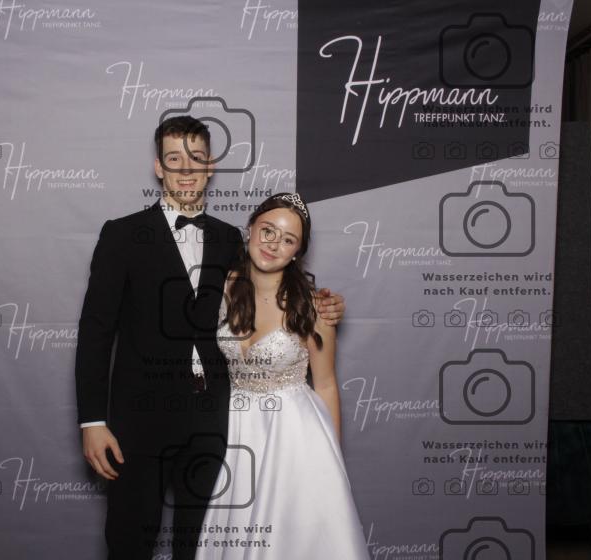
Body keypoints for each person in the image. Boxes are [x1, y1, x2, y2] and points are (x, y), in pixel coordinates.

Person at [74, 115, 346, 560]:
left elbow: (273, 289)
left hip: (215, 423)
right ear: (158, 167)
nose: (186, 170)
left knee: (202, 548)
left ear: (211, 166)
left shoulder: (230, 240)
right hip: (139, 422)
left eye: (196, 159)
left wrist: (326, 305)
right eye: (174, 159)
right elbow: (95, 333)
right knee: (129, 543)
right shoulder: (121, 235)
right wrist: (92, 422)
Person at [194, 192, 371, 559]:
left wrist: (332, 463)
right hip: (235, 430)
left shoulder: (314, 306)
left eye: (288, 240)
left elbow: (325, 384)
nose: (274, 244)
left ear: (297, 252)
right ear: (250, 229)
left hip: (294, 437)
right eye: (268, 231)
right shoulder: (220, 288)